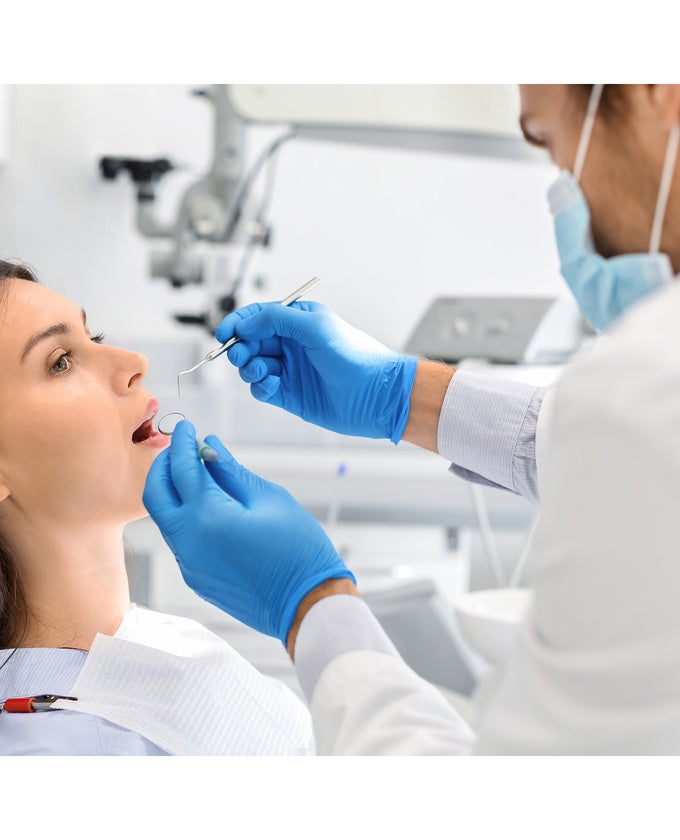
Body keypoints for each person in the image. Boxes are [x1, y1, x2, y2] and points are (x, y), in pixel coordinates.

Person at [143, 84, 680, 754]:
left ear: (657, 91)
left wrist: (311, 605)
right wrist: (403, 396)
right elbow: (603, 456)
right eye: (61, 359)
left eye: (549, 141)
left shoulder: (645, 392)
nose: (566, 190)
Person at [0, 258, 313, 756]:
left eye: (94, 337)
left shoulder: (139, 643)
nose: (134, 363)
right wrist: (318, 601)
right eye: (60, 361)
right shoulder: (63, 755)